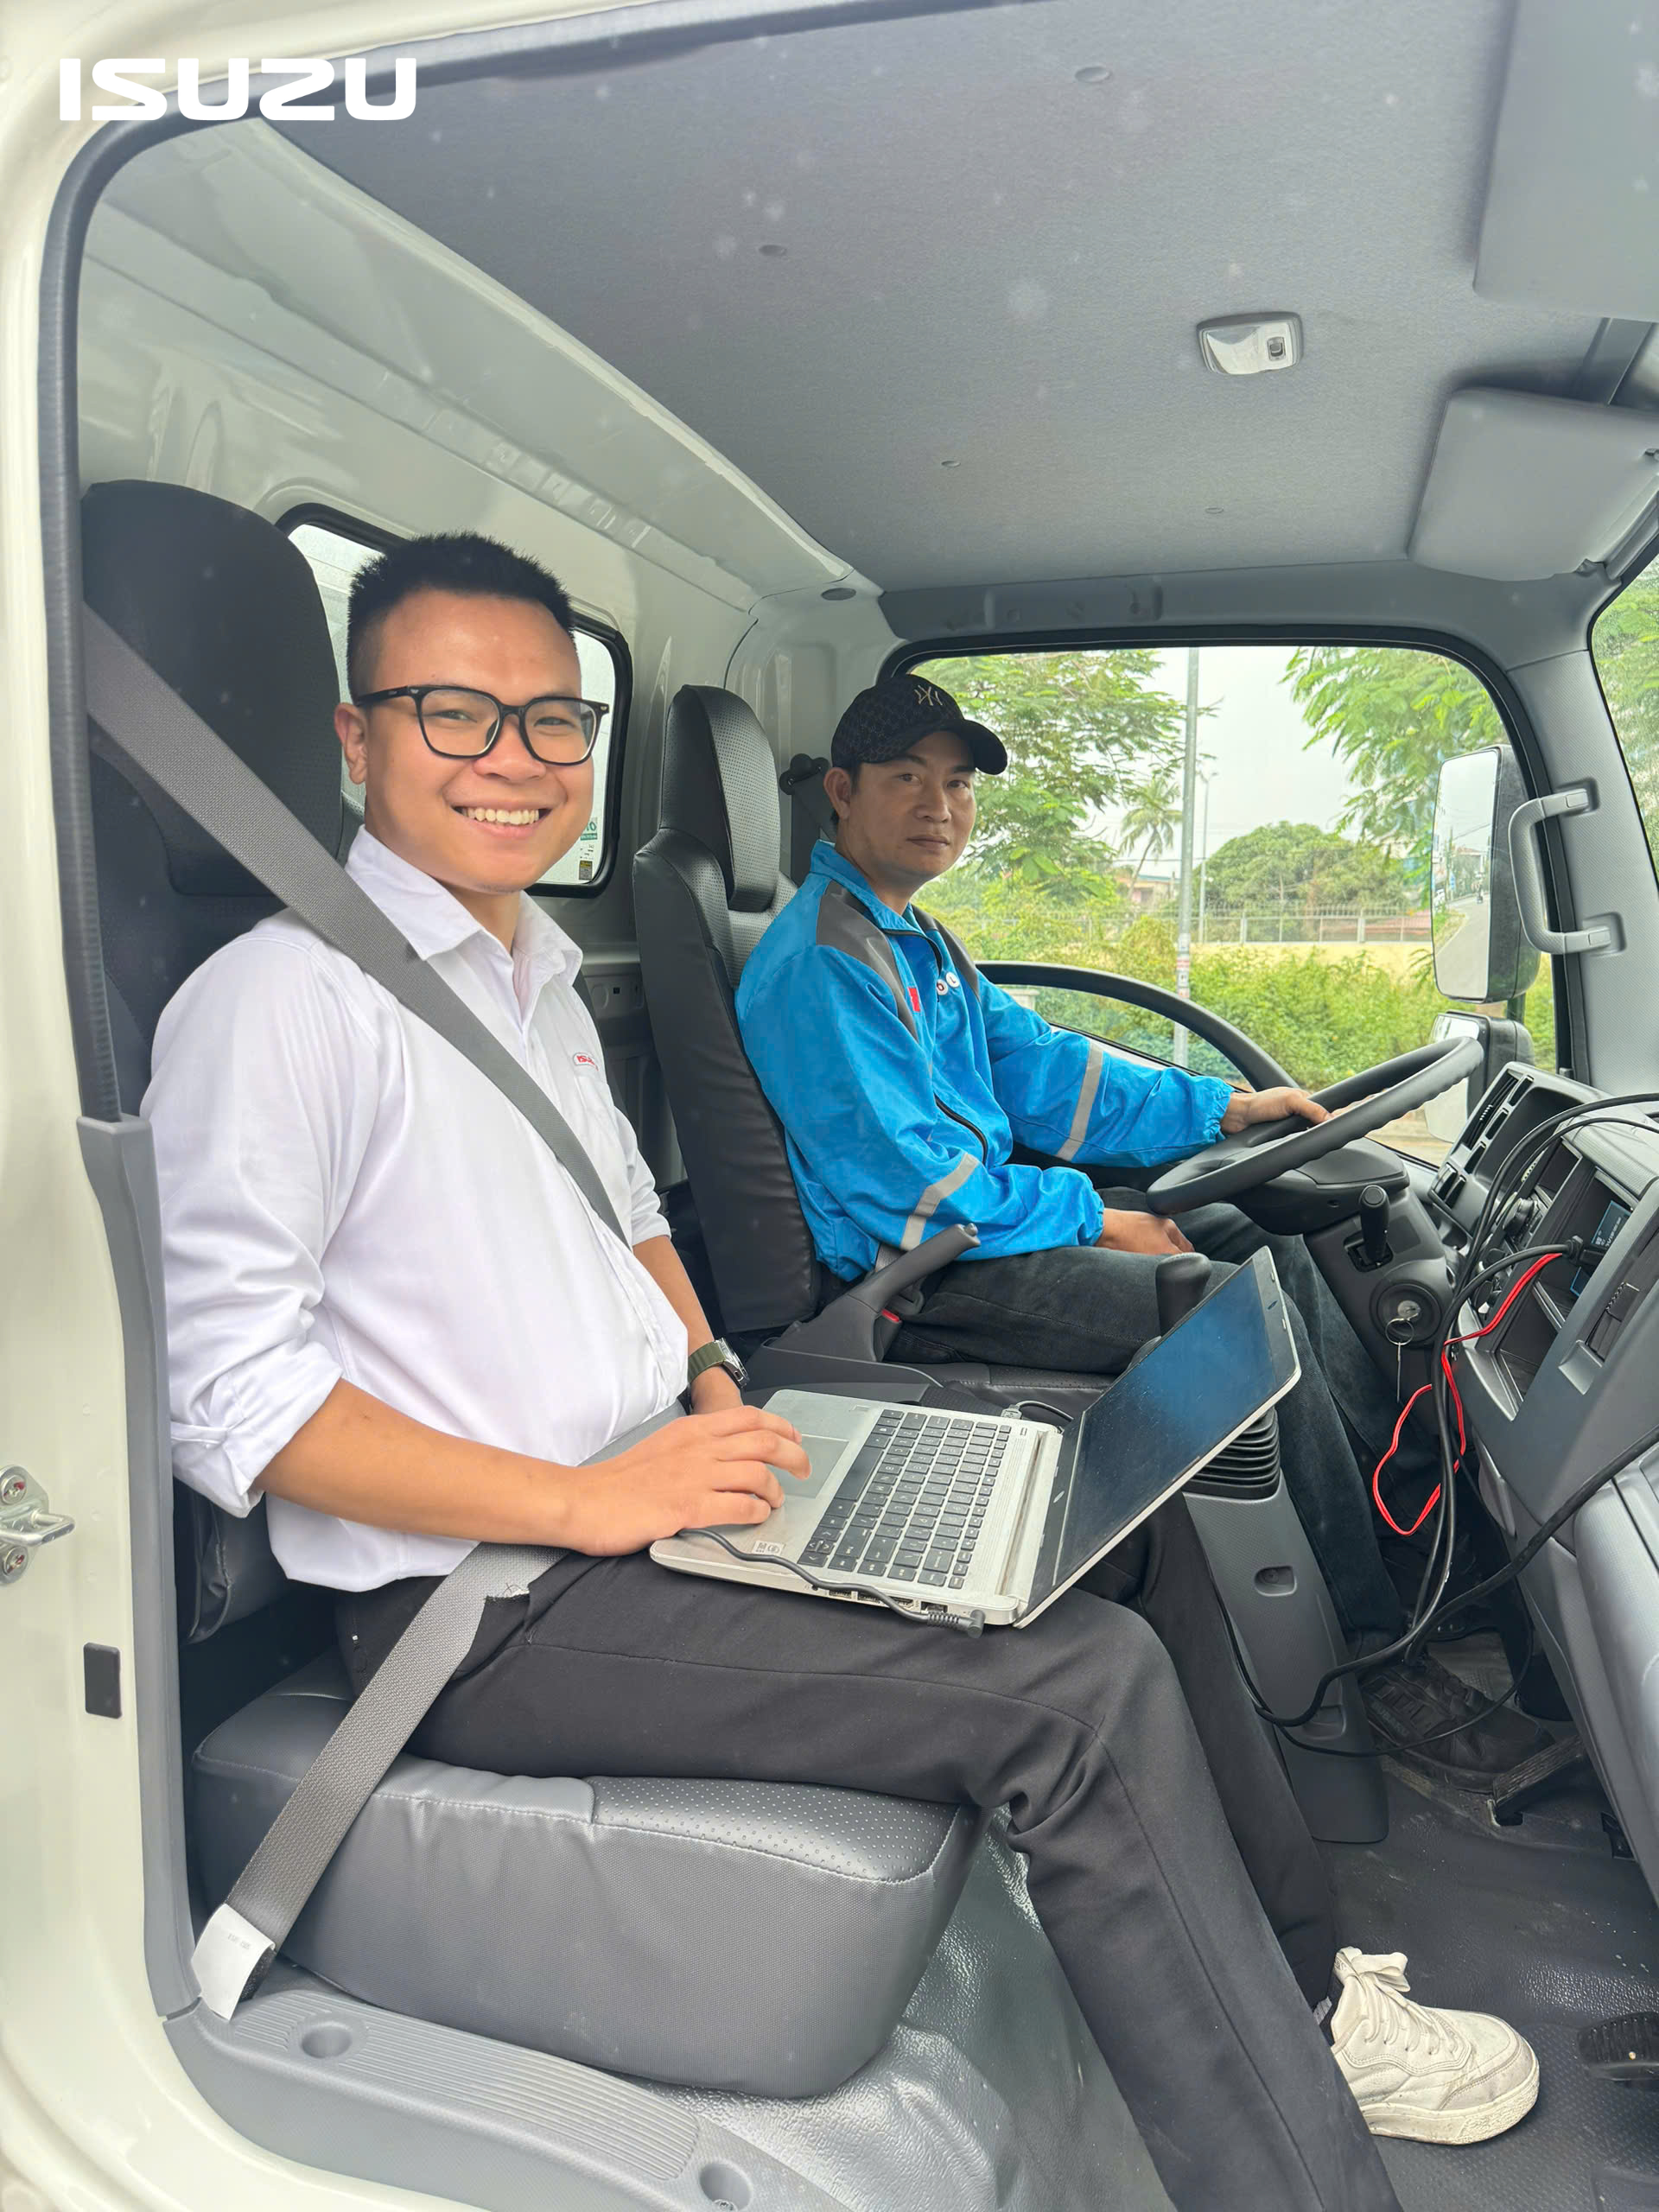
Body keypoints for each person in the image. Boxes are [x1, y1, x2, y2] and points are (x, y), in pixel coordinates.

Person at [147, 534, 1536, 2212]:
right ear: (355, 738)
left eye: (551, 718)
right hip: (486, 1597)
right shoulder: (280, 1006)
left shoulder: (535, 987)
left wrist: (714, 1381)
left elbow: (633, 1211)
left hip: (658, 1487)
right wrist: (588, 1500)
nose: (513, 756)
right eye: (454, 712)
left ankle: (1305, 1984)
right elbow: (233, 1401)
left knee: (1119, 1516)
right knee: (1076, 1694)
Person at [734, 673, 1550, 1785]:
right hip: (923, 1276)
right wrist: (1101, 1219)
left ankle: (1394, 1542)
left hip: (975, 1230)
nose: (940, 805)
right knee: (1228, 1306)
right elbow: (913, 1193)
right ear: (841, 792)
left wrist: (1223, 1109)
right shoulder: (823, 962)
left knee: (1257, 1231)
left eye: (959, 783)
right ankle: (1372, 1653)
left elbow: (1047, 1071)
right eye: (906, 779)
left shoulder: (912, 938)